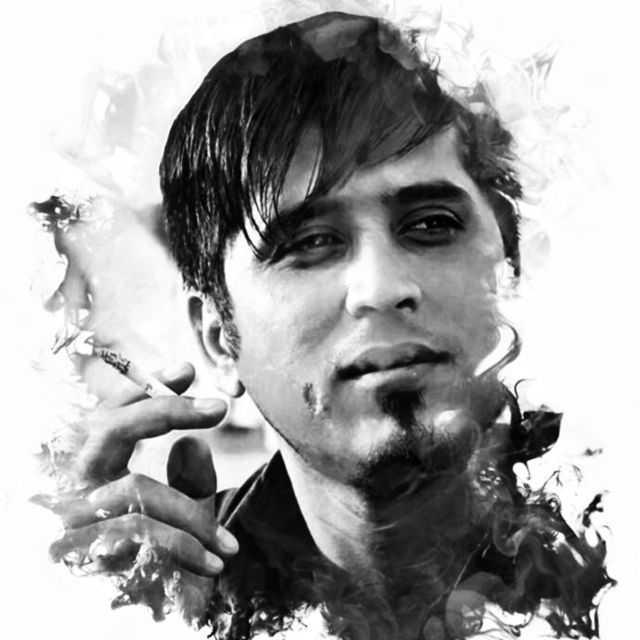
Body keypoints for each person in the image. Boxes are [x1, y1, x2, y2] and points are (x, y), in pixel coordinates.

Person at [45, 12, 612, 640]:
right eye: (310, 242)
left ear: (509, 266)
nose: (381, 288)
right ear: (218, 338)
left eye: (432, 224)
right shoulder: (181, 602)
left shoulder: (611, 533)